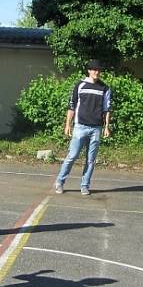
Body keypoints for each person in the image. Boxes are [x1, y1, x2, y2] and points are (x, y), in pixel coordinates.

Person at [54, 59, 112, 195]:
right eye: (94, 69)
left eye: (98, 70)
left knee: (91, 160)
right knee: (72, 156)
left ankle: (85, 185)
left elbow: (107, 109)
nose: (96, 72)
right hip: (80, 126)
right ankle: (60, 182)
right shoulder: (80, 85)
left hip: (96, 129)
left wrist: (106, 127)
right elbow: (71, 106)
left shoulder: (105, 88)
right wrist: (68, 124)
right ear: (89, 71)